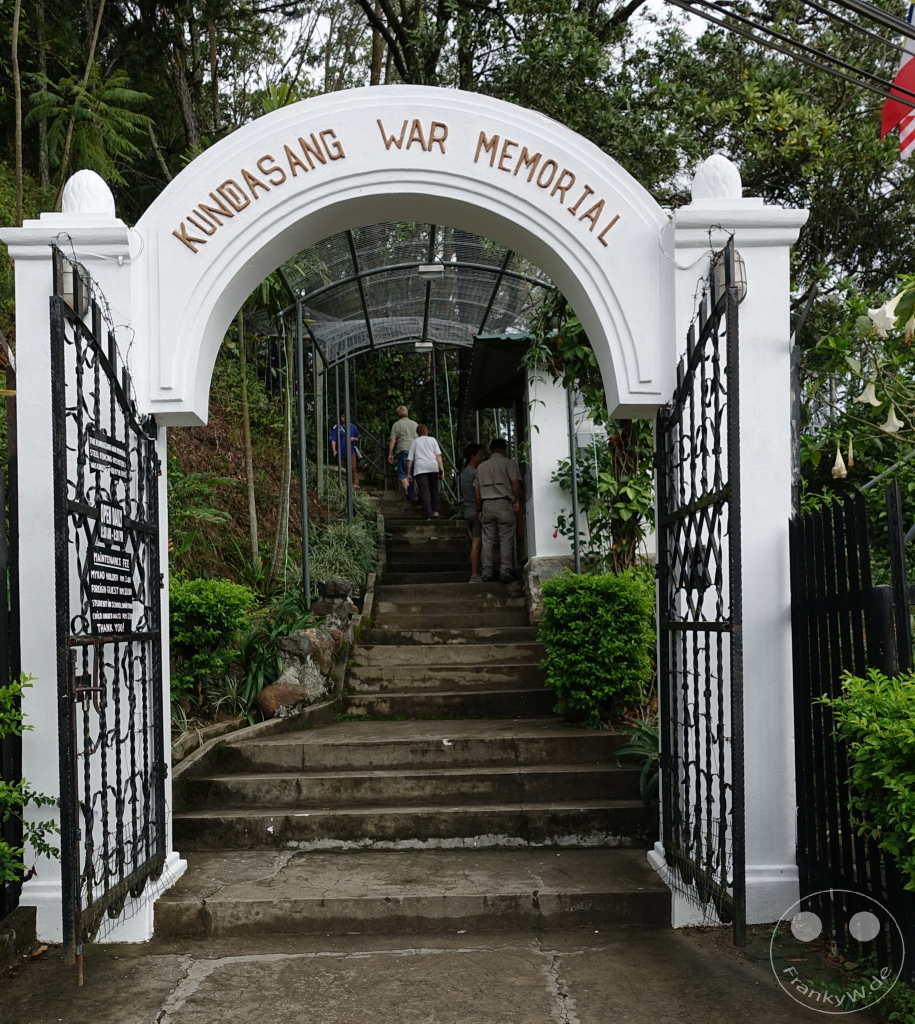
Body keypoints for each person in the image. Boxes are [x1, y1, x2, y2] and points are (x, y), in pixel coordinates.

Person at [474, 438, 521, 582]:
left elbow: (477, 489)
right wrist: (517, 500)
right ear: (505, 450)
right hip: (504, 503)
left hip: (487, 504)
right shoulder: (509, 464)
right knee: (505, 538)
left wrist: (480, 508)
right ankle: (505, 571)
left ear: (490, 451)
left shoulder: (481, 467)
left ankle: (487, 572)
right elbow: (515, 482)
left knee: (487, 540)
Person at [406, 424, 444, 521]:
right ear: (427, 432)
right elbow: (438, 456)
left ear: (417, 433)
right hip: (433, 466)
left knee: (424, 491)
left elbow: (410, 459)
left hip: (420, 468)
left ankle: (427, 515)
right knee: (434, 489)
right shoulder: (433, 440)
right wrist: (441, 469)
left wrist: (409, 473)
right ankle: (435, 510)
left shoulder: (415, 442)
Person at [459, 443, 485, 583]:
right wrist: (480, 508)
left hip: (468, 512)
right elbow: (477, 492)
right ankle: (474, 575)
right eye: (479, 455)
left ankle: (476, 572)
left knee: (476, 543)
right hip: (476, 512)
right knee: (477, 543)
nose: (481, 458)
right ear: (472, 456)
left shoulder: (463, 473)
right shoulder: (475, 473)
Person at [387, 405, 418, 501]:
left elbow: (392, 440)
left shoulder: (396, 425)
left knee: (402, 472)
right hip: (414, 449)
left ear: (397, 415)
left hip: (402, 449)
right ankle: (418, 494)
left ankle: (408, 492)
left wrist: (390, 454)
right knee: (415, 472)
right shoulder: (415, 424)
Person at [329, 413, 360, 490]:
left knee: (353, 467)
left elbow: (358, 438)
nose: (345, 418)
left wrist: (353, 438)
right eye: (343, 416)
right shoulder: (336, 427)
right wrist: (334, 450)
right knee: (341, 468)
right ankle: (341, 485)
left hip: (351, 450)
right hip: (340, 451)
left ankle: (355, 484)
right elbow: (333, 439)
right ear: (340, 417)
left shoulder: (353, 427)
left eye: (346, 416)